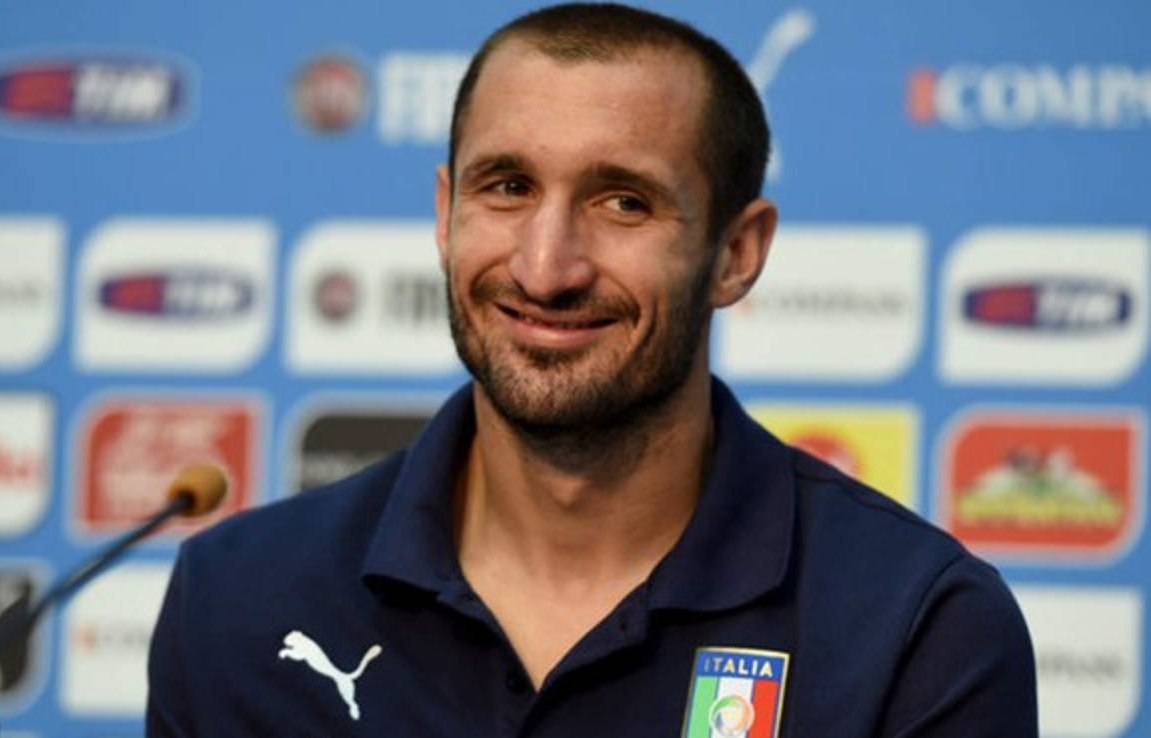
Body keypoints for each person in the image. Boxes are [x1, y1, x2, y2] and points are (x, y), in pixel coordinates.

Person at [147, 4, 1037, 736]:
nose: (546, 269)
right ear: (446, 213)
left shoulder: (918, 629)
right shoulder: (237, 599)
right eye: (508, 187)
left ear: (736, 253)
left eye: (623, 202)